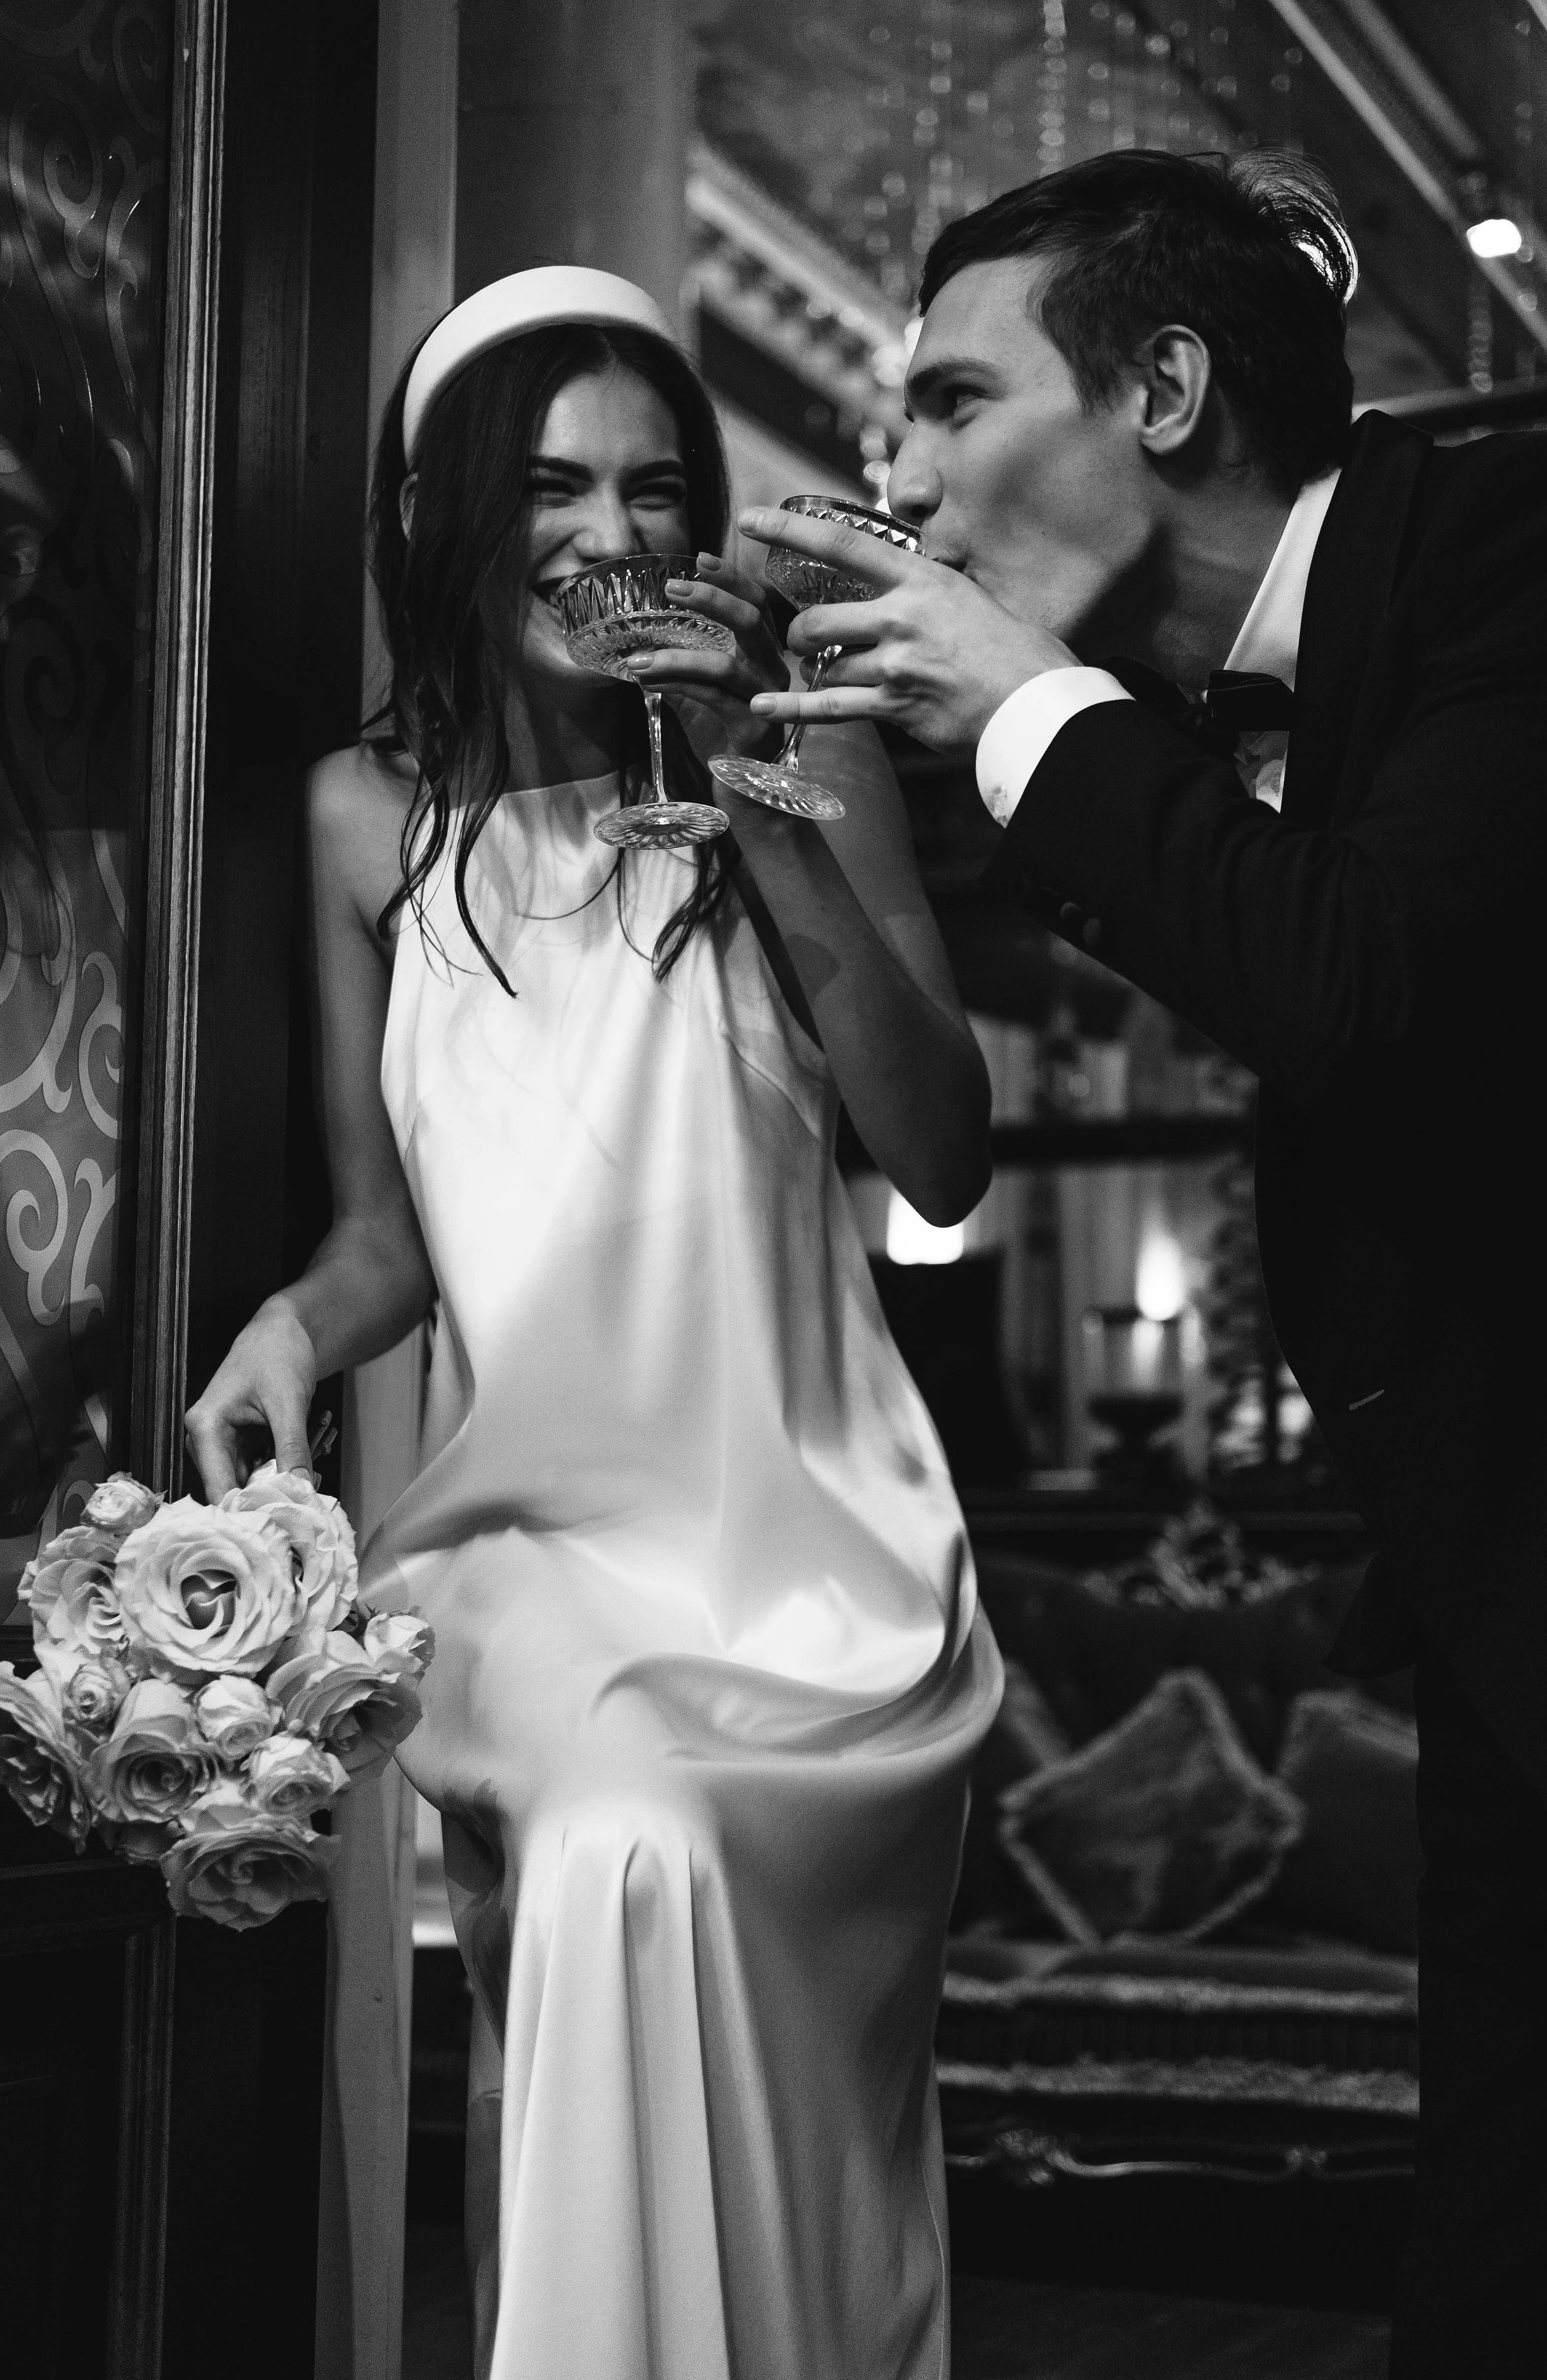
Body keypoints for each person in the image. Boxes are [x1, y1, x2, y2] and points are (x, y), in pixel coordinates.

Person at [744, 149, 1547, 2376]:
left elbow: (1362, 976)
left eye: (949, 403)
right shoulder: (1215, 718)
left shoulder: (1506, 546)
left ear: (1166, 390)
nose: (892, 471)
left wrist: (1011, 695)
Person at [184, 265, 1003, 2380]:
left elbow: (939, 1150)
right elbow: (393, 1236)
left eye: (656, 488)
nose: (612, 536)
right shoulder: (366, 818)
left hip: (814, 1553)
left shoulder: (801, 764)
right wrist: (289, 1325)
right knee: (628, 1844)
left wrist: (758, 799)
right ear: (451, 514)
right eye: (550, 486)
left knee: (797, 2137)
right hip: (541, 1563)